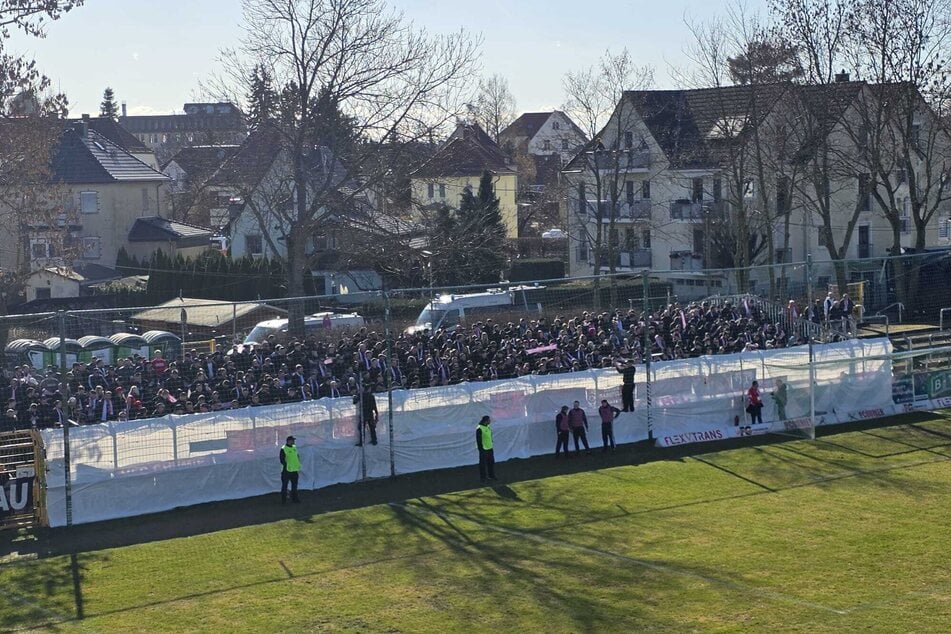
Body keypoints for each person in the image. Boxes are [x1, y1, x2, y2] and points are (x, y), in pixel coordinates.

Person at [279, 435, 301, 504]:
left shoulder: (294, 447)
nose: (294, 441)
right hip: (286, 470)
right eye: (293, 440)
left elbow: (297, 456)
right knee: (285, 486)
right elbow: (282, 460)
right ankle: (284, 500)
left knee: (294, 486)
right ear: (289, 441)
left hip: (294, 470)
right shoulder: (283, 449)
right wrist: (286, 466)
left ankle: (295, 499)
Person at [475, 415, 496, 483]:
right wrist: (481, 449)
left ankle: (491, 476)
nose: (490, 421)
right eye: (489, 420)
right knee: (483, 464)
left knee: (491, 463)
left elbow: (489, 435)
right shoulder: (479, 428)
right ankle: (483, 478)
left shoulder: (488, 426)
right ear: (485, 421)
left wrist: (491, 441)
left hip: (490, 448)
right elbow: (478, 440)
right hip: (483, 449)